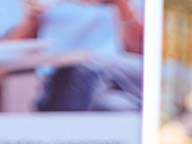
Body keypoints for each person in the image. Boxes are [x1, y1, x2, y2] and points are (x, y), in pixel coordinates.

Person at [2, 0, 143, 110]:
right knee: (117, 107)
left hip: (119, 76)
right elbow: (9, 53)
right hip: (64, 82)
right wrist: (33, 17)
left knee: (83, 67)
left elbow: (141, 50)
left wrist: (122, 5)